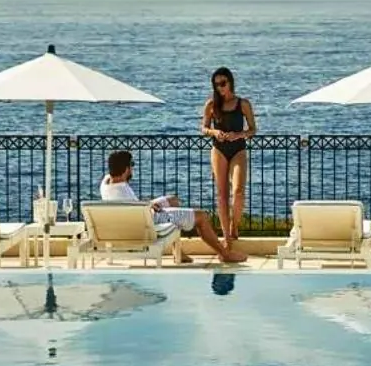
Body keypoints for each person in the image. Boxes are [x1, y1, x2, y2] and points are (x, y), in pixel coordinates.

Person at [100, 150, 245, 264]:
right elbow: (139, 214)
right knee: (201, 216)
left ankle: (178, 253)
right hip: (149, 223)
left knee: (173, 200)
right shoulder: (122, 190)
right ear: (126, 169)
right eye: (131, 165)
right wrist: (148, 207)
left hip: (138, 215)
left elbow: (132, 206)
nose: (132, 169)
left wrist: (148, 204)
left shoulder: (106, 183)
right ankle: (225, 254)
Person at [201, 67, 256, 245]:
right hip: (219, 150)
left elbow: (253, 129)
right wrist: (215, 132)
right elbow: (204, 128)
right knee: (222, 195)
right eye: (216, 84)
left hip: (238, 149)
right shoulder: (211, 104)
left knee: (238, 191)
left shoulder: (243, 104)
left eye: (223, 83)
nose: (220, 87)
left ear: (230, 82)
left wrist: (238, 135)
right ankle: (226, 237)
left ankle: (234, 225)